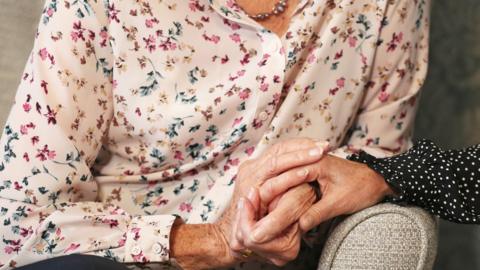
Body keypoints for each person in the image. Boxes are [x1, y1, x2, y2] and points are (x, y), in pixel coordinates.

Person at [0, 0, 430, 269]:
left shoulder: (386, 5)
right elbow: (16, 222)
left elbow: (382, 161)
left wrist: (310, 189)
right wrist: (213, 240)